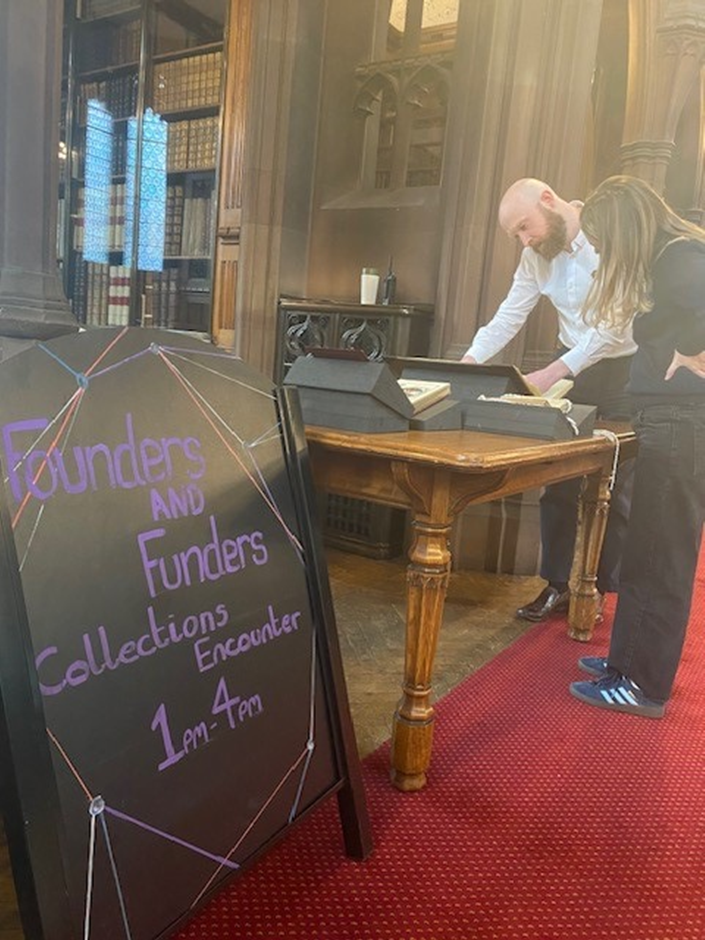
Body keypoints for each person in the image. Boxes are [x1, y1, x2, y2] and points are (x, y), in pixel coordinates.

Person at [462, 178, 637, 622]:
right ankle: (558, 584)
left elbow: (613, 328)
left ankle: (598, 589)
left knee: (616, 487)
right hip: (570, 365)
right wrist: (469, 361)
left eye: (525, 227)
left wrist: (553, 371)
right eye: (516, 235)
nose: (525, 240)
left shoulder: (607, 236)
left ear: (547, 200)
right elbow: (509, 314)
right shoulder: (534, 257)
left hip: (623, 370)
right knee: (557, 481)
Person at [569, 175, 705, 718]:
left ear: (624, 230)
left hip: (681, 420)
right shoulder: (669, 257)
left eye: (602, 242)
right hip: (667, 419)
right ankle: (625, 662)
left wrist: (692, 353)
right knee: (645, 549)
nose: (600, 253)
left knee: (660, 554)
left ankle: (642, 686)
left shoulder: (679, 257)